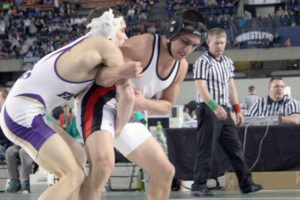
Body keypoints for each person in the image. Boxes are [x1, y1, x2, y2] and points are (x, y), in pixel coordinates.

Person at [0, 7, 142, 200]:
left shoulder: (86, 48)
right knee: (73, 176)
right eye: (123, 30)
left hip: (27, 108)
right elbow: (127, 96)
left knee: (78, 157)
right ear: (108, 27)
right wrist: (116, 133)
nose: (126, 38)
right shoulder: (106, 47)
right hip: (23, 111)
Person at [76, 9, 207, 200]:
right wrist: (123, 76)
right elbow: (100, 76)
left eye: (194, 46)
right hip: (99, 102)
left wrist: (141, 102)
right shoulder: (143, 45)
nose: (187, 50)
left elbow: (166, 106)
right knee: (102, 168)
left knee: (165, 171)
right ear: (171, 32)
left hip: (128, 111)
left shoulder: (182, 66)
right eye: (185, 42)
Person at [192, 27, 263, 197]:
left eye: (222, 43)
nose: (219, 46)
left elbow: (231, 87)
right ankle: (199, 185)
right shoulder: (203, 61)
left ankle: (246, 184)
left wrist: (237, 109)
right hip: (208, 108)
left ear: (226, 43)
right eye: (216, 43)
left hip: (224, 109)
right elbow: (200, 86)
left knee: (235, 148)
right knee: (206, 148)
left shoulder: (228, 62)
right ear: (208, 43)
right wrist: (214, 107)